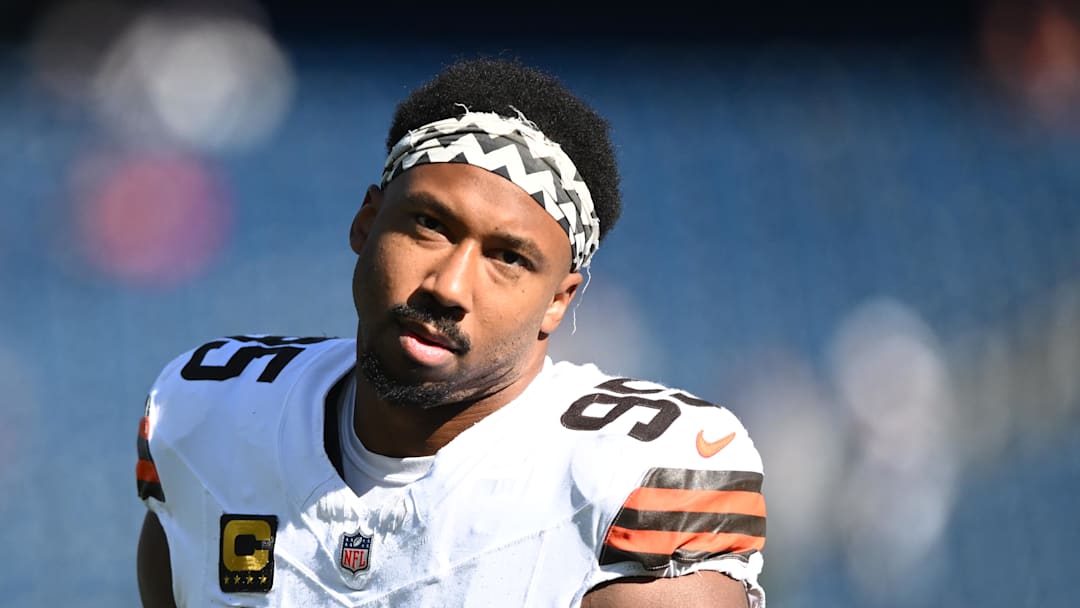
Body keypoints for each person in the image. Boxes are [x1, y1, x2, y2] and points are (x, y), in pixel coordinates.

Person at [135, 55, 767, 607]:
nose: (449, 286)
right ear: (366, 223)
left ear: (558, 302)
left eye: (508, 258)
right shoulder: (208, 417)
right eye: (429, 224)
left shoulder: (631, 477)